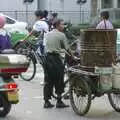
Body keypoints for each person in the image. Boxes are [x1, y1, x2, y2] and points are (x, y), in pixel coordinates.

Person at [43, 19, 69, 108]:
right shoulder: (62, 35)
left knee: (48, 80)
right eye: (62, 24)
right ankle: (59, 101)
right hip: (55, 59)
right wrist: (74, 57)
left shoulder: (47, 34)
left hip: (47, 58)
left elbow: (47, 46)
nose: (64, 26)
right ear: (58, 25)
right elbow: (67, 49)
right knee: (59, 79)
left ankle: (46, 101)